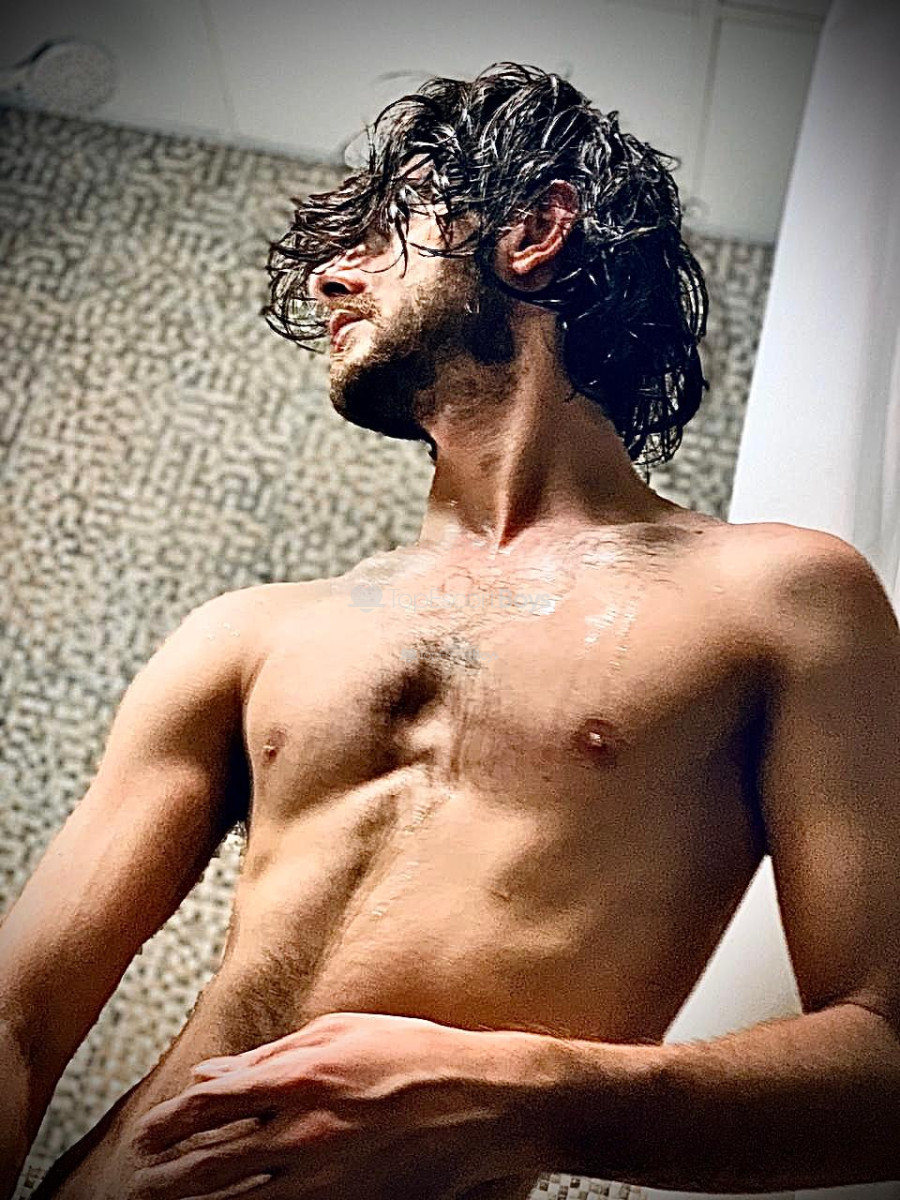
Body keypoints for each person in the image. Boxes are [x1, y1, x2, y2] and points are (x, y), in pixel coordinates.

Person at [2, 60, 899, 1200]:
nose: (331, 275)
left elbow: (888, 1060)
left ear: (534, 231)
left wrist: (522, 1096)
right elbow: (18, 1019)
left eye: (384, 234)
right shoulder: (248, 636)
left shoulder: (782, 599)